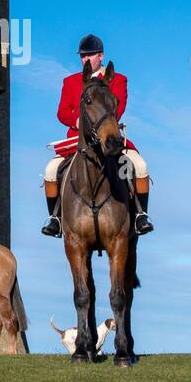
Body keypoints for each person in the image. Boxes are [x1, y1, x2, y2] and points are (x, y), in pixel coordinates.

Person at [42, 34, 153, 237]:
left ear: (100, 56)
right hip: (77, 139)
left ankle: (140, 214)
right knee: (50, 170)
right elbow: (62, 112)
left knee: (140, 166)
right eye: (83, 56)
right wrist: (77, 121)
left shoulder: (118, 80)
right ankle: (55, 218)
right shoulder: (70, 81)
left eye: (90, 55)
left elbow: (117, 108)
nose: (86, 59)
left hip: (108, 137)